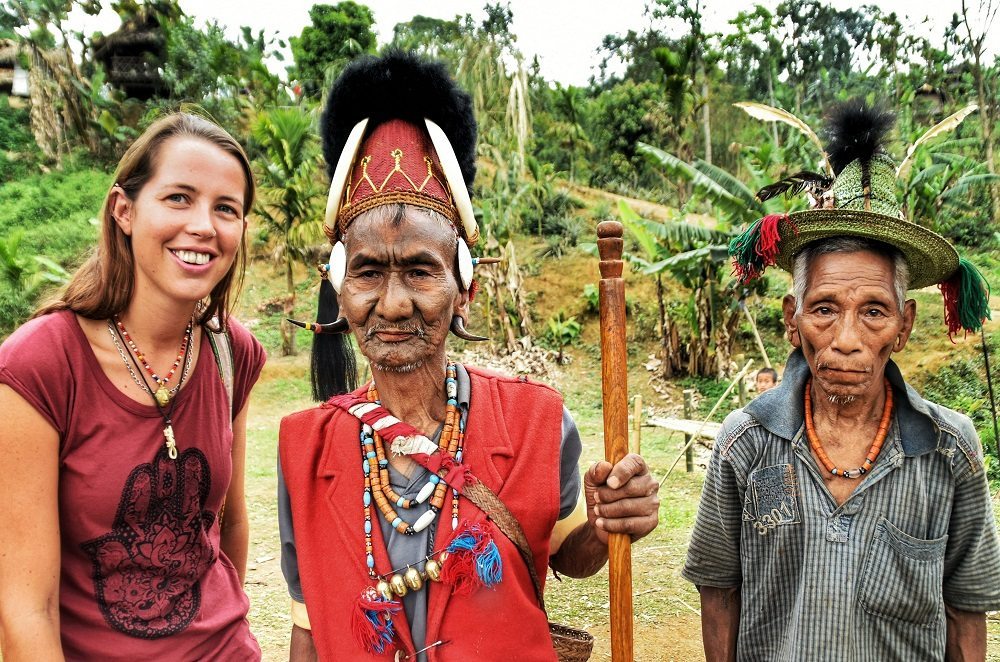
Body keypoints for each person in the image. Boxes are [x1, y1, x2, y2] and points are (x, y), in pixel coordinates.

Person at [277, 51, 660, 661]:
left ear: (465, 287)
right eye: (369, 271)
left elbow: (574, 558)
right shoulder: (304, 448)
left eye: (421, 271)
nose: (394, 304)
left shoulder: (536, 422)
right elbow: (309, 632)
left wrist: (607, 519)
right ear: (340, 289)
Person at [684, 101, 1000, 661]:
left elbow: (964, 615)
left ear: (904, 327)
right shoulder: (744, 444)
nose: (847, 338)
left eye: (874, 311)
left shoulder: (953, 452)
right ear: (791, 320)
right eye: (824, 308)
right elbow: (719, 596)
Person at [0, 113, 266, 660]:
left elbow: (229, 526)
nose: (203, 226)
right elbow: (26, 607)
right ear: (124, 210)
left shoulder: (229, 350)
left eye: (226, 209)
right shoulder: (40, 366)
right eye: (178, 198)